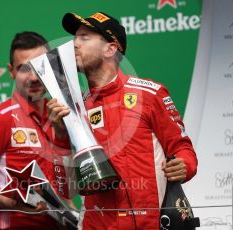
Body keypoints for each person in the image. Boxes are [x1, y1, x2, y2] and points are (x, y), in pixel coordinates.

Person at [47, 12, 198, 229]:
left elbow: (182, 148)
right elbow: (67, 187)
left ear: (110, 48)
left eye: (84, 37)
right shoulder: (73, 106)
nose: (74, 44)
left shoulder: (149, 93)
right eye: (74, 38)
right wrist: (60, 135)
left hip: (149, 223)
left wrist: (185, 165)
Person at [0, 31, 69, 229]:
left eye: (40, 67)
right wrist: (11, 203)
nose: (34, 77)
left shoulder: (63, 115)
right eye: (24, 68)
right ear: (11, 71)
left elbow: (66, 185)